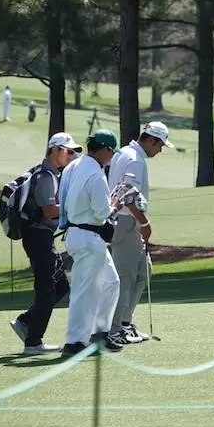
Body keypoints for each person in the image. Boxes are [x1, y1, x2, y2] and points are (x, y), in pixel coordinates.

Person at [9, 132, 82, 355]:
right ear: (55, 150)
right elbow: (50, 211)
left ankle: (25, 322)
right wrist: (75, 208)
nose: (70, 156)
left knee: (60, 286)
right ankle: (33, 342)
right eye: (68, 151)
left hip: (42, 236)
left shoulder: (52, 174)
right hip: (38, 237)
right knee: (46, 288)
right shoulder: (45, 176)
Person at [59, 129, 125, 357]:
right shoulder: (96, 174)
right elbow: (101, 212)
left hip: (79, 234)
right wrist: (114, 206)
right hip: (88, 236)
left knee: (111, 282)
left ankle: (100, 334)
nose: (112, 157)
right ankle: (75, 342)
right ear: (105, 149)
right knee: (84, 291)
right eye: (111, 152)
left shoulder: (76, 166)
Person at [107, 121, 173, 345]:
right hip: (128, 222)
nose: (160, 150)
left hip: (128, 221)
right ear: (151, 140)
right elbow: (127, 196)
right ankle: (115, 329)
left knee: (143, 273)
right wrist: (144, 224)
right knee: (125, 278)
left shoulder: (126, 153)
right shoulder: (134, 159)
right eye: (160, 145)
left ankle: (125, 323)